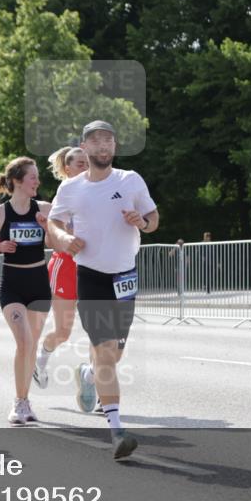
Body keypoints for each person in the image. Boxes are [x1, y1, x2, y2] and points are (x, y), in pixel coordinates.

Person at [47, 120, 159, 460]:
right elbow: (53, 223)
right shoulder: (71, 189)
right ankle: (117, 431)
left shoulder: (130, 180)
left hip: (125, 277)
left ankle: (87, 373)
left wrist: (142, 222)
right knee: (107, 351)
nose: (103, 146)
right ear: (84, 146)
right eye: (96, 141)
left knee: (114, 355)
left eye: (108, 140)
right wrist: (65, 238)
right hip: (91, 275)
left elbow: (154, 218)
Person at [0, 157, 53, 425]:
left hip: (39, 282)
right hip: (13, 285)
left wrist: (46, 228)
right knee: (25, 342)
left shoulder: (44, 208)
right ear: (17, 180)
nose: (37, 182)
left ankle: (25, 397)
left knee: (31, 347)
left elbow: (56, 243)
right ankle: (20, 403)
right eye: (33, 177)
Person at [35, 147, 89, 403]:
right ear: (68, 169)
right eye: (80, 164)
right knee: (64, 332)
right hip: (67, 266)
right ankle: (40, 360)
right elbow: (51, 240)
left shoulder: (99, 191)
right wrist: (68, 238)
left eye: (88, 163)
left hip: (94, 266)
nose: (86, 168)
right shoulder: (64, 195)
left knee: (99, 330)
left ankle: (96, 387)